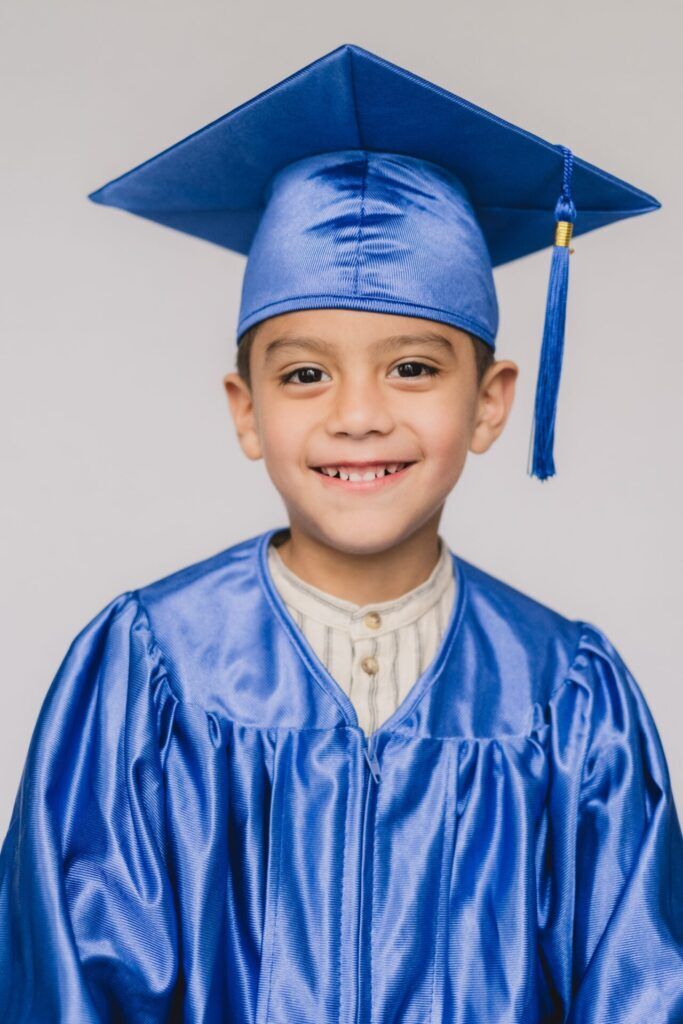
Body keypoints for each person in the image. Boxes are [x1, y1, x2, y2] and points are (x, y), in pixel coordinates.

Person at [1, 43, 681, 1024]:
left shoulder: (565, 694)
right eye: (304, 373)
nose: (357, 415)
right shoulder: (149, 670)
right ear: (244, 410)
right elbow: (70, 984)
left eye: (411, 368)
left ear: (490, 403)